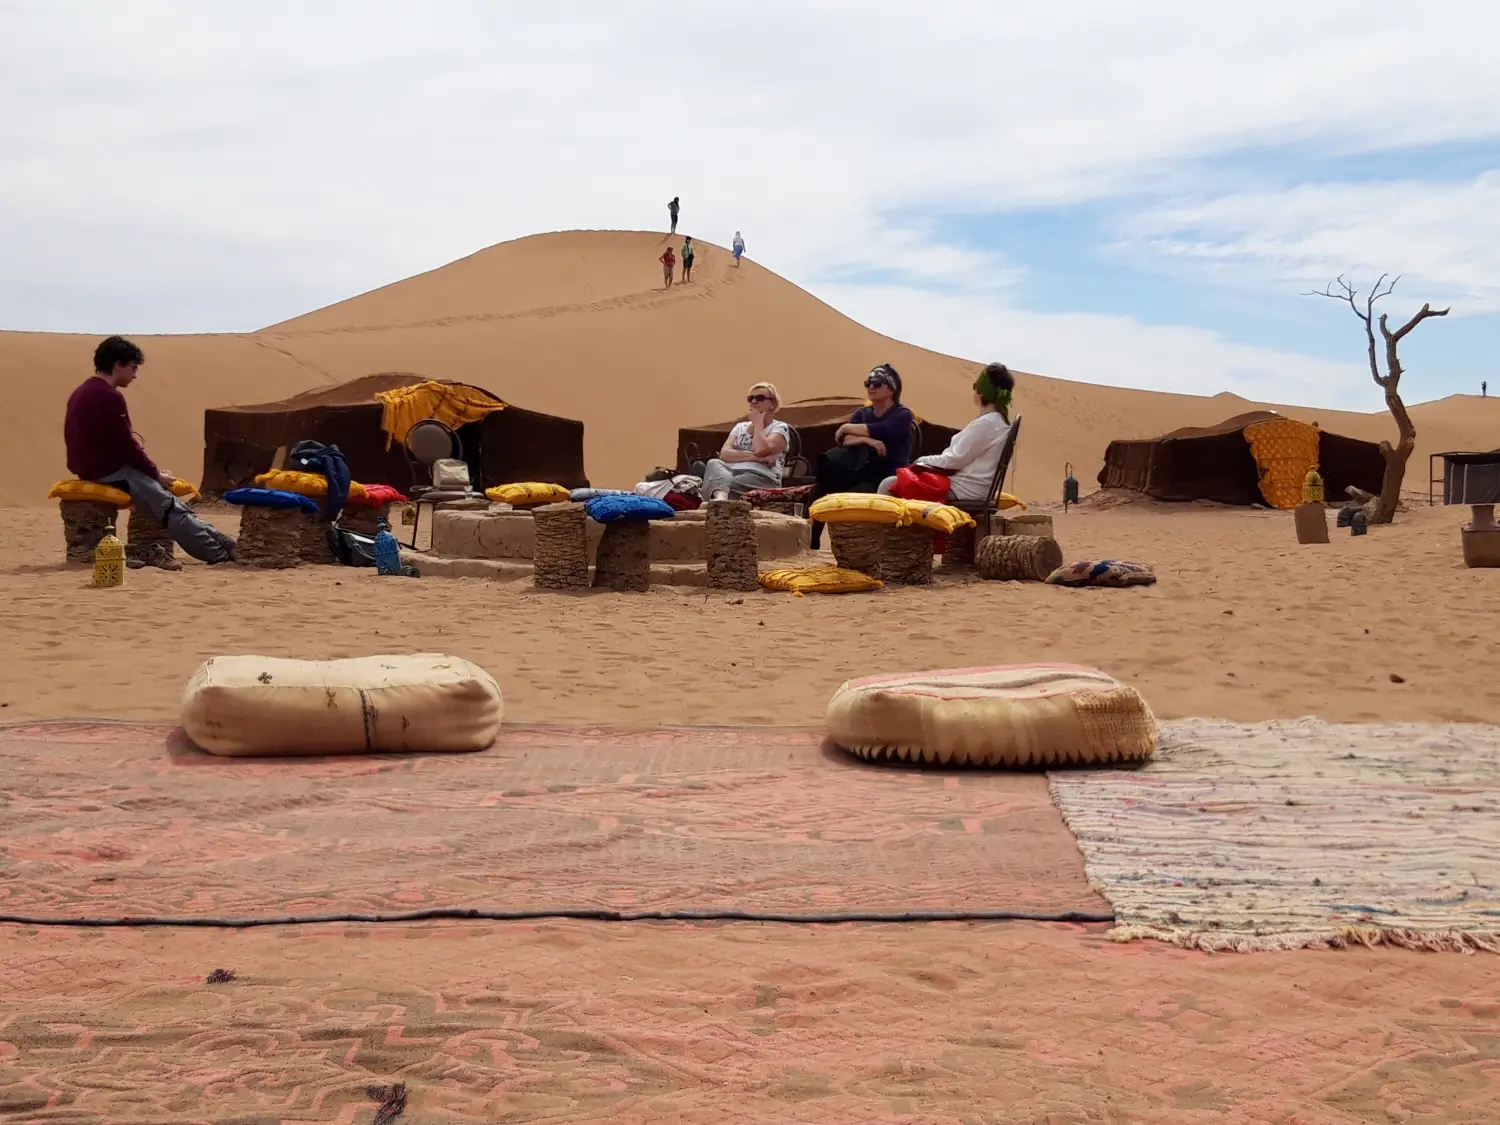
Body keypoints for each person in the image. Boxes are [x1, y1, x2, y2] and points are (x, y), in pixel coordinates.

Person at [64, 336, 236, 567]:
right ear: (118, 365)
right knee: (167, 507)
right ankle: (217, 553)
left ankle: (223, 542)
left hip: (97, 467)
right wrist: (156, 474)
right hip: (109, 470)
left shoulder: (82, 390)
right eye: (133, 368)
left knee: (172, 504)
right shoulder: (107, 396)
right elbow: (126, 445)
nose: (135, 375)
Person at [807, 364, 915, 549]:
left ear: (891, 388)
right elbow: (844, 439)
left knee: (857, 494)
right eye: (868, 383)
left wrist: (847, 428)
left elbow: (877, 430)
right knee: (821, 487)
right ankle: (810, 541)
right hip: (859, 468)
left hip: (885, 474)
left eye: (877, 383)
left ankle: (858, 549)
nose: (870, 387)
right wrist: (869, 441)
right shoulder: (862, 413)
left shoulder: (902, 415)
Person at [878, 362, 1014, 503]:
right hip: (970, 488)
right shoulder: (998, 422)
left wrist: (922, 461)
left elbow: (954, 460)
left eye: (976, 388)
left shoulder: (987, 423)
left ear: (981, 392)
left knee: (888, 485)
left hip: (961, 490)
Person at [700, 383, 792, 500]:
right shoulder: (740, 427)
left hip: (762, 477)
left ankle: (719, 497)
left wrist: (758, 423)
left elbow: (760, 450)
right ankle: (721, 499)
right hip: (731, 472)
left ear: (772, 404)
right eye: (750, 398)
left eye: (759, 398)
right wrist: (758, 459)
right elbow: (724, 454)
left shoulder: (780, 427)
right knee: (714, 463)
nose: (753, 401)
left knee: (714, 484)